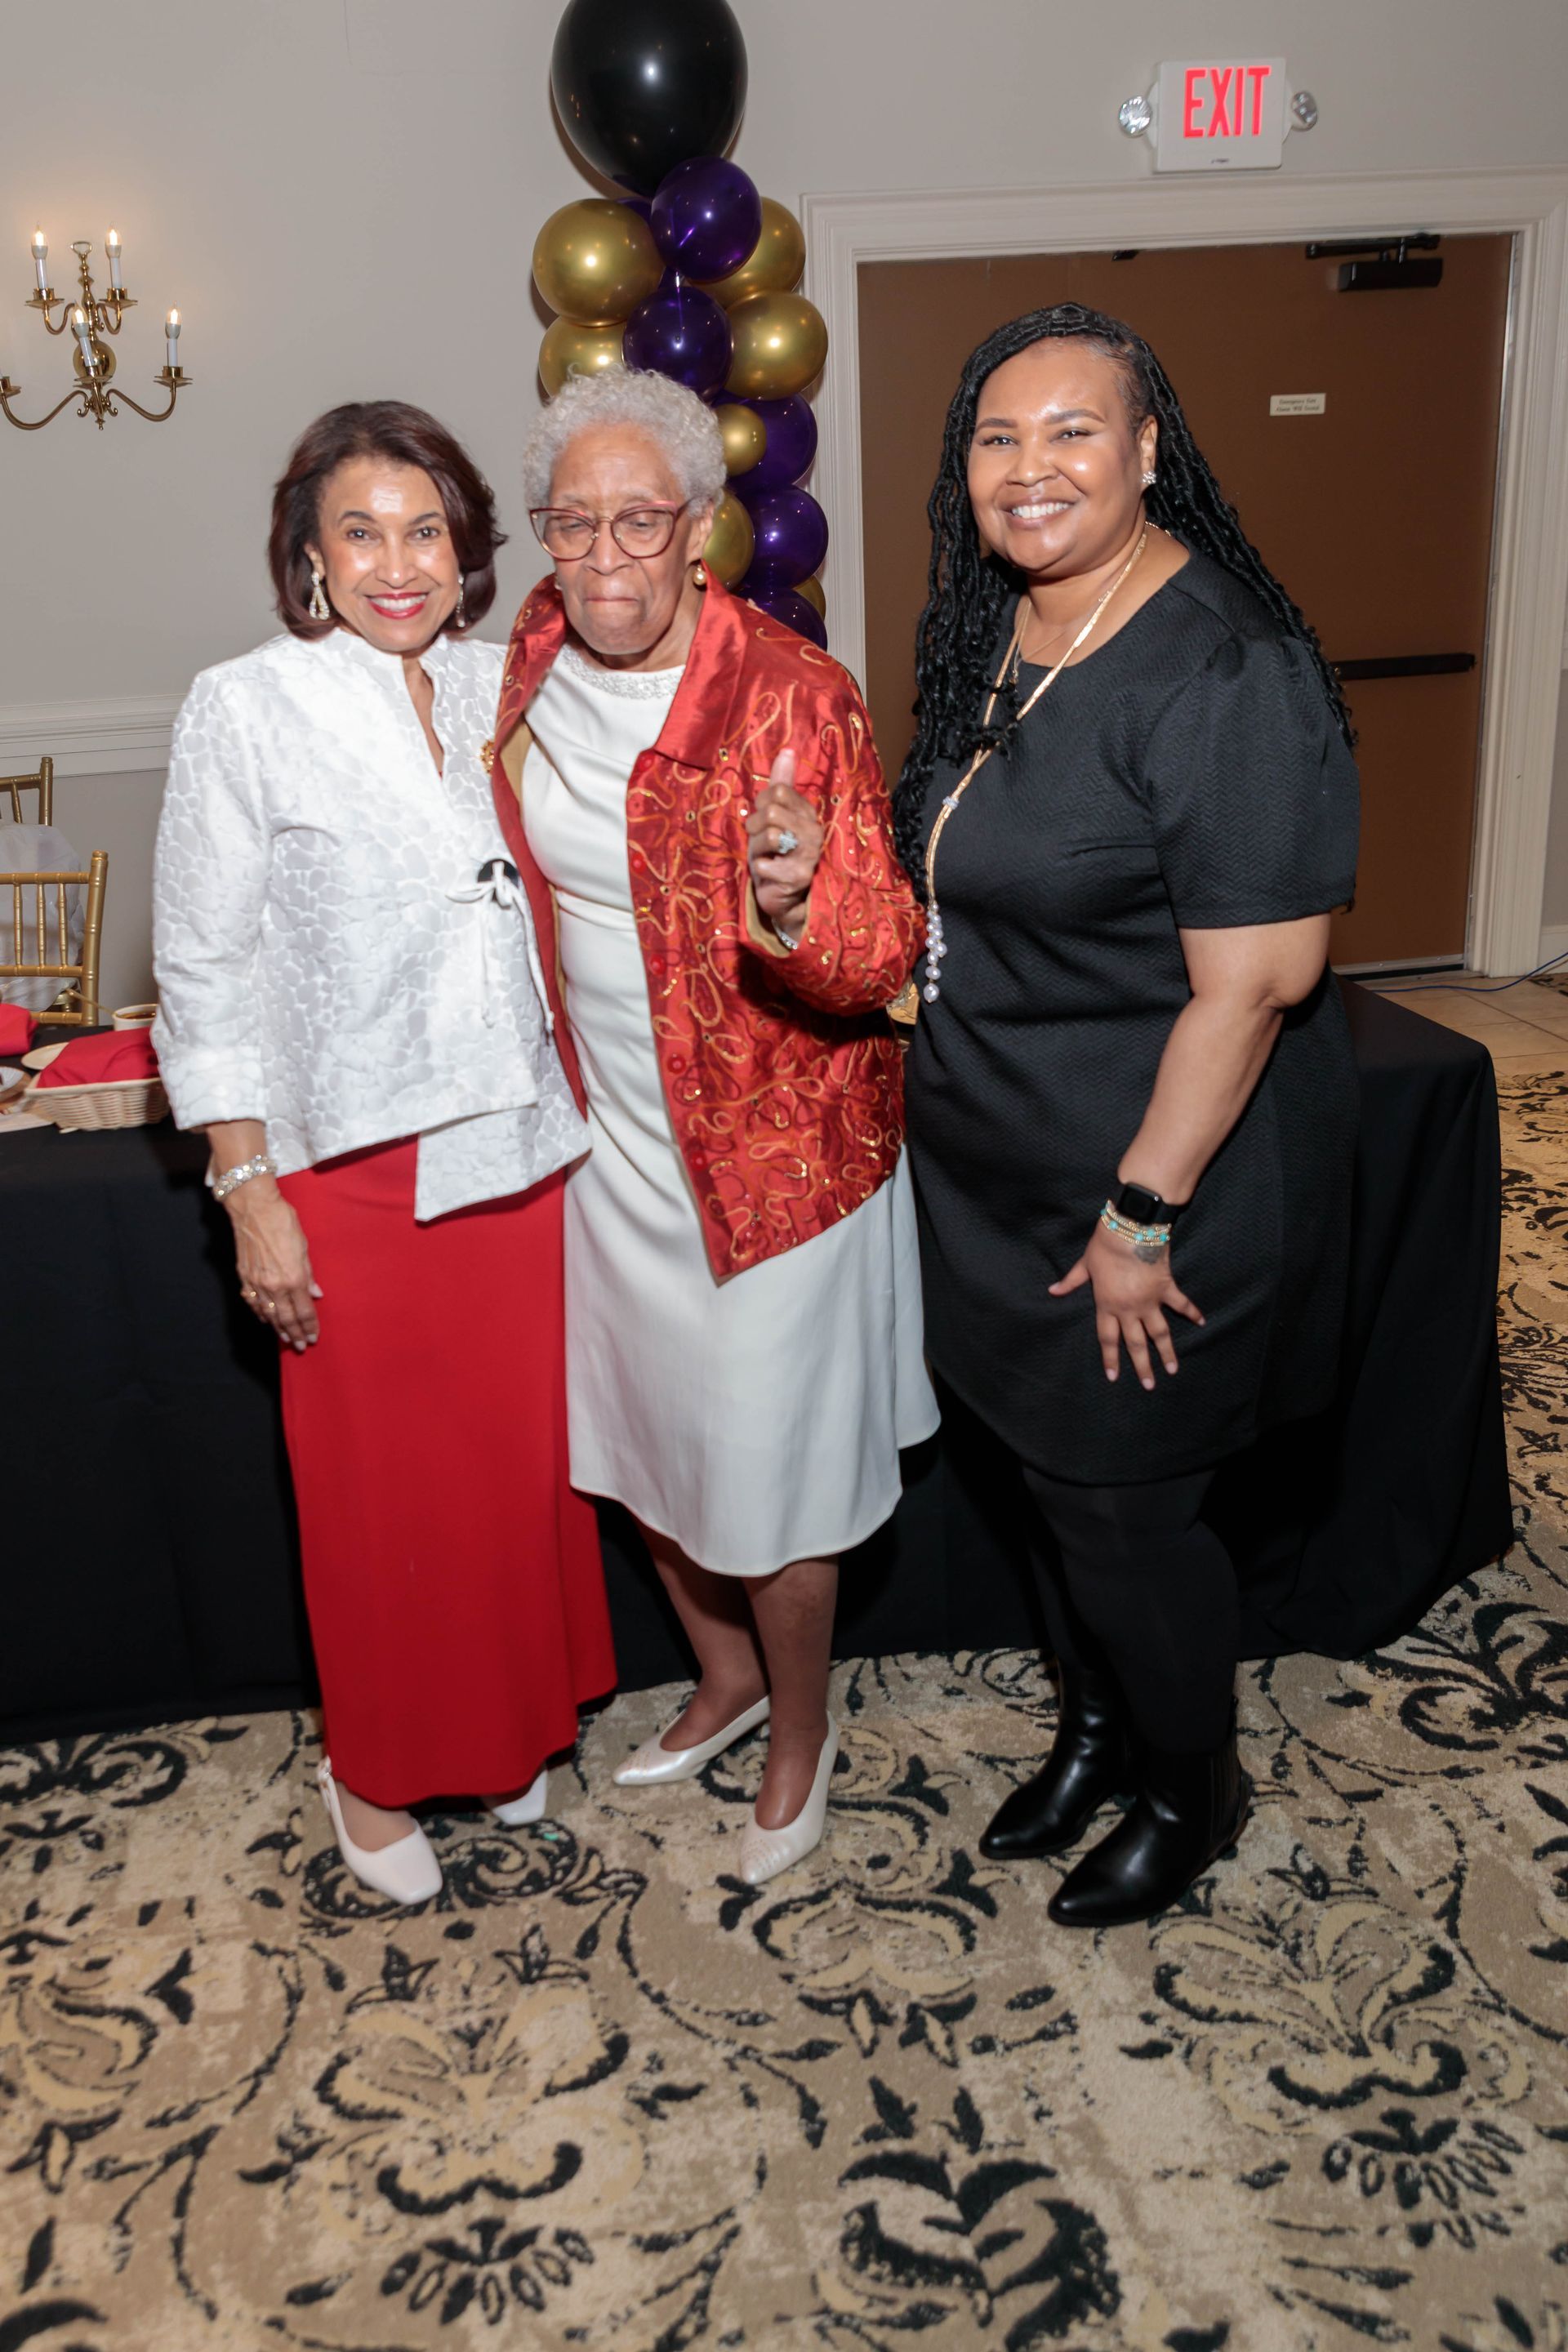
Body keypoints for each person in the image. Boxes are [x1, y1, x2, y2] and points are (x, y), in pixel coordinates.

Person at [895, 305, 1359, 1928]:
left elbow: (1258, 986)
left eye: (1073, 429)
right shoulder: (1005, 625)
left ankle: (1191, 1784)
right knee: (1044, 1484)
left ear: (1150, 451)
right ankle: (1095, 1731)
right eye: (998, 436)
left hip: (1151, 1185)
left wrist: (1139, 1215)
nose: (1030, 468)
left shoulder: (1224, 667)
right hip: (997, 1167)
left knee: (1123, 1513)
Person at [153, 400, 613, 1906]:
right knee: (379, 1499)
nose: (397, 563)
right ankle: (372, 1774)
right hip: (350, 1172)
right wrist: (250, 1195)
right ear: (310, 554)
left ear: (468, 552)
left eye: (426, 531)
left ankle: (510, 1729)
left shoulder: (507, 682)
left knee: (510, 1482)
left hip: (523, 1154)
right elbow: (202, 970)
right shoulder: (246, 706)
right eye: (361, 533)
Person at [486, 366, 936, 1887]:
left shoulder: (794, 693)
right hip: (608, 1135)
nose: (605, 556)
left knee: (769, 1475)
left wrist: (795, 907)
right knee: (639, 1437)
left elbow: (880, 958)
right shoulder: (532, 657)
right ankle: (727, 1675)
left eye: (641, 521)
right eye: (573, 523)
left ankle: (803, 1726)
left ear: (700, 529)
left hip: (772, 1156)